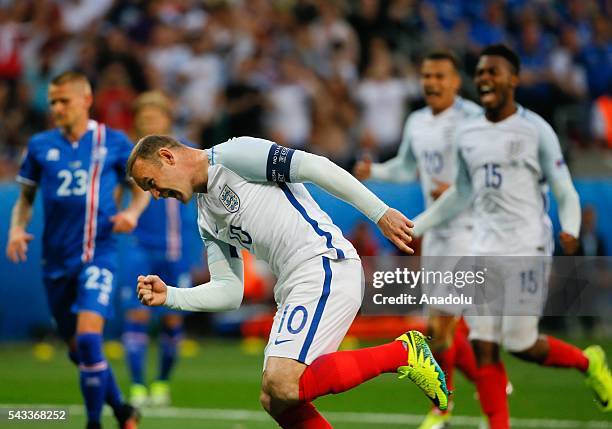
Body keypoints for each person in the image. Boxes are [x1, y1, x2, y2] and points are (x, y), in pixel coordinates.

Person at [128, 134, 450, 427]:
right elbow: (229, 292)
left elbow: (314, 166)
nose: (156, 195)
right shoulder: (206, 218)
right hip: (294, 286)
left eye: (151, 182)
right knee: (275, 399)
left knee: (284, 383)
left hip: (324, 265)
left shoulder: (231, 155)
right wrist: (170, 295)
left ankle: (404, 353)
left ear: (168, 157)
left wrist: (379, 212)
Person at [412, 45, 612, 428]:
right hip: (483, 247)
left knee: (521, 345)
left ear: (514, 80)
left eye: (494, 72)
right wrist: (416, 225)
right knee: (482, 343)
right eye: (481, 73)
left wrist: (569, 227)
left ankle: (589, 362)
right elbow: (460, 194)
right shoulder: (468, 135)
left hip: (526, 247)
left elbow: (565, 189)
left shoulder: (535, 129)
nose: (485, 78)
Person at [5, 71, 149, 429]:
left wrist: (131, 212)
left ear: (85, 100)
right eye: (52, 101)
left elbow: (141, 188)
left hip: (97, 252)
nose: (56, 108)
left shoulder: (112, 141)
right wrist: (16, 229)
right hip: (55, 262)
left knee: (88, 337)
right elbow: (25, 198)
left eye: (63, 100)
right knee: (78, 350)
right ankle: (122, 411)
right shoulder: (39, 146)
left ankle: (93, 423)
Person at [353, 50, 481, 429]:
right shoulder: (417, 122)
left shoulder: (474, 119)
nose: (432, 83)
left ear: (456, 82)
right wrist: (373, 169)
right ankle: (483, 384)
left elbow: (488, 170)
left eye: (440, 76)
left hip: (469, 228)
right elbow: (407, 167)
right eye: (427, 76)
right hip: (436, 232)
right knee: (442, 326)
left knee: (443, 324)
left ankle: (443, 407)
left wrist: (460, 188)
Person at [120, 91, 194, 407]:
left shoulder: (184, 154)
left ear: (167, 119)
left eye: (155, 116)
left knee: (172, 321)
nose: (149, 121)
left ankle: (161, 383)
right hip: (141, 248)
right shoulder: (129, 158)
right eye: (144, 117)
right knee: (136, 314)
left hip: (177, 251)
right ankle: (137, 387)